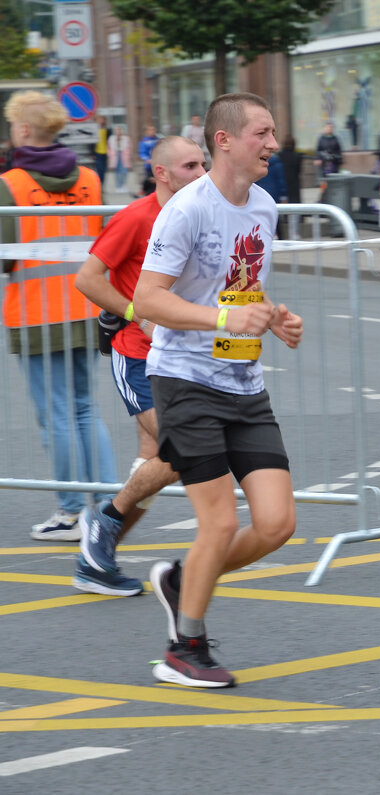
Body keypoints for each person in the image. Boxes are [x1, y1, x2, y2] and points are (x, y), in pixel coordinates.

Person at [133, 92, 304, 688]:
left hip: (241, 378)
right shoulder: (186, 210)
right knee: (219, 523)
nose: (274, 143)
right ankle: (185, 646)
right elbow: (148, 299)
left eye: (274, 130)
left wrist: (273, 316)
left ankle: (185, 583)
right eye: (263, 132)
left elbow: (238, 291)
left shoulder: (263, 205)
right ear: (225, 140)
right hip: (183, 379)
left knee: (278, 522)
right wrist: (228, 321)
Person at [73, 136, 207, 596]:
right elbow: (87, 278)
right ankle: (104, 526)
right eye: (191, 165)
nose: (202, 173)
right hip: (139, 357)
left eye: (204, 163)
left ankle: (96, 558)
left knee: (153, 464)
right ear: (162, 173)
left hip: (186, 358)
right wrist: (137, 312)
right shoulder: (135, 217)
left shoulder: (198, 213)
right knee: (184, 448)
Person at [1, 90, 118, 542]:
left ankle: (70, 513)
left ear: (25, 131)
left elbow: (5, 259)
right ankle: (108, 506)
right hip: (85, 307)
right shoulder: (89, 178)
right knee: (86, 409)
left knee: (57, 417)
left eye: (13, 126)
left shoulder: (11, 184)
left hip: (36, 314)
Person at [91, 115, 110, 194]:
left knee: (103, 171)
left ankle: (101, 187)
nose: (101, 121)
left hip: (105, 153)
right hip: (97, 153)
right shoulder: (94, 130)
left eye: (102, 119)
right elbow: (91, 142)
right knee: (99, 171)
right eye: (99, 119)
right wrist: (92, 153)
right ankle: (98, 187)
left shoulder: (108, 130)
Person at [110, 124, 131, 193]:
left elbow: (129, 147)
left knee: (124, 171)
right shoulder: (112, 138)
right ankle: (118, 186)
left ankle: (123, 185)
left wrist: (128, 154)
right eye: (117, 130)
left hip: (123, 155)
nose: (118, 131)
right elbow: (110, 148)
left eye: (119, 130)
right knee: (117, 172)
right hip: (115, 156)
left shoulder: (126, 138)